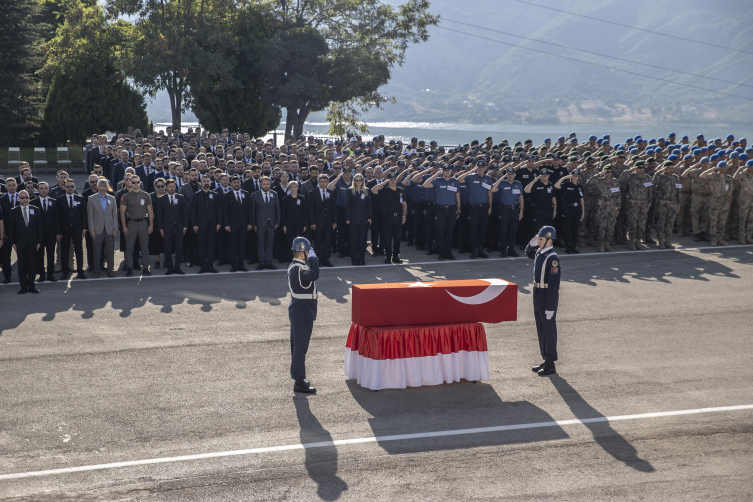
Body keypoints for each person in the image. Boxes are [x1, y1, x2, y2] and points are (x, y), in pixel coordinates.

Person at [525, 226, 561, 377]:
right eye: (538, 239)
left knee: (549, 330)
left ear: (549, 240)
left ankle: (551, 362)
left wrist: (550, 307)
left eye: (541, 239)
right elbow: (528, 253)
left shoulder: (552, 259)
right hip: (537, 294)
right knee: (541, 329)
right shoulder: (540, 253)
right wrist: (532, 242)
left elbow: (553, 286)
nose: (538, 242)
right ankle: (545, 359)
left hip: (546, 296)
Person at [287, 237, 320, 393]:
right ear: (301, 253)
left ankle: (300, 378)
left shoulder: (297, 267)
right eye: (307, 252)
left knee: (299, 347)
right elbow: (314, 274)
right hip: (302, 312)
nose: (309, 254)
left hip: (301, 311)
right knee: (300, 348)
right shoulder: (298, 269)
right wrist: (314, 260)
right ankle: (299, 382)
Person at [423, 164, 460, 261]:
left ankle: (449, 253)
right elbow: (425, 184)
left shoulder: (455, 182)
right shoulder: (438, 181)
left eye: (449, 170)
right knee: (441, 232)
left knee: (449, 232)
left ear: (451, 171)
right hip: (440, 210)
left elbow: (458, 197)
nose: (447, 172)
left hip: (452, 210)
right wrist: (436, 175)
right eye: (445, 170)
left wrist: (458, 209)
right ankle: (442, 253)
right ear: (442, 172)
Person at [8, 190, 43, 294]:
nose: (24, 199)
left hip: (32, 242)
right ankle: (23, 286)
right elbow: (11, 228)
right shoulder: (14, 211)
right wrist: (13, 242)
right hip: (20, 243)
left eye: (26, 197)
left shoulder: (35, 210)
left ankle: (31, 285)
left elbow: (39, 227)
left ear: (29, 198)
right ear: (18, 199)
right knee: (22, 265)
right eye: (22, 197)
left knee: (32, 265)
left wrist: (39, 241)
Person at [120, 175, 154, 276]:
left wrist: (151, 225)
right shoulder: (125, 196)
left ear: (140, 183)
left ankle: (145, 268)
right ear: (130, 182)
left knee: (144, 247)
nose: (135, 184)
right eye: (133, 182)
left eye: (137, 182)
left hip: (143, 223)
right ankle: (129, 268)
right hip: (131, 223)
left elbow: (150, 211)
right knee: (129, 248)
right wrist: (124, 226)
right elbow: (122, 212)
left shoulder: (146, 195)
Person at [371, 172, 407, 264]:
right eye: (391, 179)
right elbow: (373, 190)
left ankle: (396, 257)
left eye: (394, 179)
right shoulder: (384, 190)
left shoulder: (400, 190)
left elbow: (404, 204)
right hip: (388, 217)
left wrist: (404, 216)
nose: (393, 181)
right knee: (387, 238)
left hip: (398, 217)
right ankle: (388, 257)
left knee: (397, 239)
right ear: (388, 180)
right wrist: (382, 184)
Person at [156, 179, 189, 275]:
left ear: (175, 187)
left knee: (179, 248)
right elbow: (159, 215)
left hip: (179, 227)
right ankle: (170, 267)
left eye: (173, 186)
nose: (171, 188)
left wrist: (185, 226)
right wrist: (160, 228)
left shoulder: (180, 197)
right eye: (170, 186)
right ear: (166, 187)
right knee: (167, 248)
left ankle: (177, 267)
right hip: (167, 228)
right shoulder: (162, 199)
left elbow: (184, 213)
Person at [87, 179, 118, 278]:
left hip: (109, 229)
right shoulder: (91, 199)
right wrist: (91, 229)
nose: (103, 187)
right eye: (101, 185)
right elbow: (90, 216)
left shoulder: (112, 199)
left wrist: (115, 229)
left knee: (110, 251)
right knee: (97, 251)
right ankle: (97, 270)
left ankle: (110, 270)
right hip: (97, 229)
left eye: (105, 186)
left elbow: (114, 215)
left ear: (107, 187)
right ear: (97, 187)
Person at [620, 161, 654, 250]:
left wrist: (648, 204)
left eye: (643, 167)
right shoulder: (630, 177)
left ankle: (638, 241)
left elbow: (650, 192)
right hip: (633, 204)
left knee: (641, 224)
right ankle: (632, 241)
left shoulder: (647, 178)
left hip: (643, 204)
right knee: (632, 223)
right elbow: (621, 178)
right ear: (636, 168)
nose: (642, 169)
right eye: (639, 167)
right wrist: (631, 169)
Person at [586, 165, 621, 252]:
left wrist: (618, 208)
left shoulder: (615, 182)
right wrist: (600, 174)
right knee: (602, 226)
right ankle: (601, 245)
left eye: (611, 171)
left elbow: (618, 196)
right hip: (603, 207)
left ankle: (607, 244)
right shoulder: (599, 181)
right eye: (607, 171)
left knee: (611, 226)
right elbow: (589, 182)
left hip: (612, 207)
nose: (609, 173)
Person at [58, 180, 88, 280]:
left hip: (78, 229)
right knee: (65, 251)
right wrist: (59, 231)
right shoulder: (60, 199)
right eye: (68, 187)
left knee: (79, 251)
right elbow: (58, 217)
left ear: (74, 187)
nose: (70, 189)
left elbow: (83, 214)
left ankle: (80, 272)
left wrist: (84, 228)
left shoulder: (80, 198)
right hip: (65, 230)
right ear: (64, 187)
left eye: (71, 187)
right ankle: (65, 273)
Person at [30, 182, 59, 282]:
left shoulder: (54, 202)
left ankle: (50, 275)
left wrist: (58, 232)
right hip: (39, 235)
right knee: (39, 255)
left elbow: (57, 218)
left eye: (45, 188)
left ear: (48, 190)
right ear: (38, 190)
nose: (43, 190)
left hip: (51, 234)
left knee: (51, 255)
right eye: (41, 188)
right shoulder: (33, 202)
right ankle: (42, 275)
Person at [222, 175, 253, 271]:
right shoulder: (227, 195)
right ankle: (234, 265)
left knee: (242, 245)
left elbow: (249, 210)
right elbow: (225, 212)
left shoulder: (246, 194)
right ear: (231, 184)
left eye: (238, 182)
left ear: (240, 183)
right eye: (234, 183)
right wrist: (226, 224)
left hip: (244, 225)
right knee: (233, 246)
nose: (236, 184)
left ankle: (241, 264)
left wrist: (249, 223)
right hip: (232, 225)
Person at [491, 167, 524, 257]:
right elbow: (492, 190)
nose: (510, 176)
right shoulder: (502, 184)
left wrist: (521, 212)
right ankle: (503, 250)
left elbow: (521, 199)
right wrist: (501, 178)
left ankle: (511, 250)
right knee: (503, 231)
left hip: (515, 210)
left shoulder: (518, 184)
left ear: (514, 175)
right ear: (506, 175)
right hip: (504, 210)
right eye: (508, 174)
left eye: (511, 174)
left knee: (512, 231)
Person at [192, 176, 222, 273]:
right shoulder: (196, 195)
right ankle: (202, 266)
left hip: (212, 225)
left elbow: (218, 210)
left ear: (210, 183)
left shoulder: (215, 194)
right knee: (201, 247)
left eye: (207, 181)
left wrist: (219, 223)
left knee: (211, 247)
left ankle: (210, 265)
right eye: (204, 181)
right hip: (200, 225)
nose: (206, 183)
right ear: (200, 184)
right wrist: (194, 224)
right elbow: (193, 212)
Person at [250, 176, 280, 270]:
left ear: (270, 184)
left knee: (270, 244)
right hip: (260, 224)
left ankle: (269, 262)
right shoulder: (255, 195)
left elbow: (277, 209)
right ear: (260, 185)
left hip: (272, 223)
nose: (266, 186)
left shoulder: (274, 194)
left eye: (267, 184)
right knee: (260, 244)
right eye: (264, 184)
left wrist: (278, 222)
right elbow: (252, 211)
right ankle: (261, 262)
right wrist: (254, 224)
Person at [652, 162, 682, 249]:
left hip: (672, 204)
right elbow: (653, 183)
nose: (671, 170)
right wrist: (659, 171)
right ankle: (660, 241)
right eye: (669, 168)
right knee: (661, 223)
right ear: (665, 168)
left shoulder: (675, 178)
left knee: (670, 223)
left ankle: (667, 240)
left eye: (672, 168)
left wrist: (678, 205)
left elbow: (678, 192)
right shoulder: (660, 177)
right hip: (662, 203)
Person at [309, 174, 337, 267]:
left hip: (329, 222)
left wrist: (335, 222)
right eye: (321, 181)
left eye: (325, 181)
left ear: (328, 182)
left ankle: (326, 259)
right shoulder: (313, 193)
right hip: (317, 222)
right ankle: (319, 260)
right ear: (318, 182)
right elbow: (311, 209)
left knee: (327, 241)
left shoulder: (331, 192)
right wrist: (312, 222)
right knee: (318, 241)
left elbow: (334, 208)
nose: (323, 183)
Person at [554, 171, 585, 254]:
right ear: (571, 176)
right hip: (568, 208)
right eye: (573, 176)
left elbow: (582, 199)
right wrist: (564, 178)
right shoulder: (566, 184)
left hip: (577, 209)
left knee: (575, 229)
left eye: (576, 176)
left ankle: (573, 246)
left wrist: (583, 212)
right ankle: (568, 247)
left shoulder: (580, 186)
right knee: (567, 228)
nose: (575, 177)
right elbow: (556, 185)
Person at [524, 168, 557, 246]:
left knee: (548, 230)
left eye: (545, 176)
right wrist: (534, 180)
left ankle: (547, 246)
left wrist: (554, 211)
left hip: (549, 211)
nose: (544, 177)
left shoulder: (551, 185)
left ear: (548, 176)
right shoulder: (536, 184)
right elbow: (526, 190)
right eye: (542, 176)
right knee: (537, 230)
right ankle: (537, 246)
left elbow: (554, 199)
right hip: (538, 211)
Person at [345, 173, 372, 266]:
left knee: (362, 240)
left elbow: (369, 205)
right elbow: (347, 206)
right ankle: (354, 259)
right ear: (354, 181)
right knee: (354, 240)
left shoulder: (367, 190)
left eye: (360, 180)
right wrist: (347, 218)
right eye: (356, 180)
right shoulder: (350, 190)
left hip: (363, 219)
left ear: (363, 181)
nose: (358, 182)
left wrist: (370, 217)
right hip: (352, 219)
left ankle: (362, 259)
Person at [281, 181, 308, 263]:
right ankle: (291, 259)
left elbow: (305, 212)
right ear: (289, 189)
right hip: (289, 224)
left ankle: (299, 259)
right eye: (292, 187)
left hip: (299, 224)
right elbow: (283, 213)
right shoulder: (285, 199)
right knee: (290, 242)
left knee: (299, 243)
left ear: (298, 188)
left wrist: (305, 224)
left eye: (295, 187)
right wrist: (284, 225)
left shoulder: (302, 198)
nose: (293, 189)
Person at [734, 160, 753, 244]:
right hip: (745, 199)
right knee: (743, 218)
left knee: (751, 219)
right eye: (750, 166)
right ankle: (741, 237)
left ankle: (748, 236)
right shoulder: (743, 173)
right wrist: (740, 169)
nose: (752, 168)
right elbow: (735, 178)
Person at [149, 179, 166, 268]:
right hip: (154, 222)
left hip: (166, 222)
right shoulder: (150, 196)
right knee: (155, 242)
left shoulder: (167, 195)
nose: (160, 188)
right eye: (158, 186)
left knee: (165, 242)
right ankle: (157, 261)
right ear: (154, 187)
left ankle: (166, 260)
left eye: (162, 186)